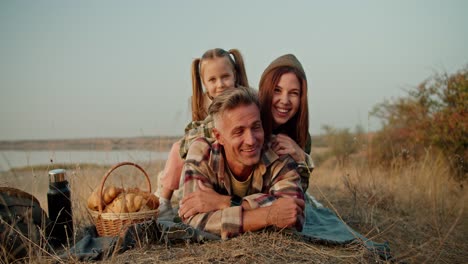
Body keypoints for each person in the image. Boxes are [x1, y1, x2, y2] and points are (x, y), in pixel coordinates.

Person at [178, 86, 305, 239]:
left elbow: (293, 214)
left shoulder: (278, 154)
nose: (251, 140)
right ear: (218, 136)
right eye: (238, 131)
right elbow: (193, 221)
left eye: (256, 127)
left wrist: (224, 202)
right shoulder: (202, 152)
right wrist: (270, 216)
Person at [158, 48, 249, 220]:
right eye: (212, 80)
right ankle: (164, 200)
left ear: (235, 74)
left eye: (225, 77)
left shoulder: (243, 98)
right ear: (204, 83)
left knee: (185, 146)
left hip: (234, 151)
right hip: (210, 152)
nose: (220, 84)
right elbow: (195, 130)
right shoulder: (202, 102)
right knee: (179, 148)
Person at [258, 54, 314, 192]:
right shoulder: (246, 119)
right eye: (277, 90)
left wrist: (301, 158)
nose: (284, 100)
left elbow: (298, 192)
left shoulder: (302, 137)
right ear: (264, 90)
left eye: (294, 93)